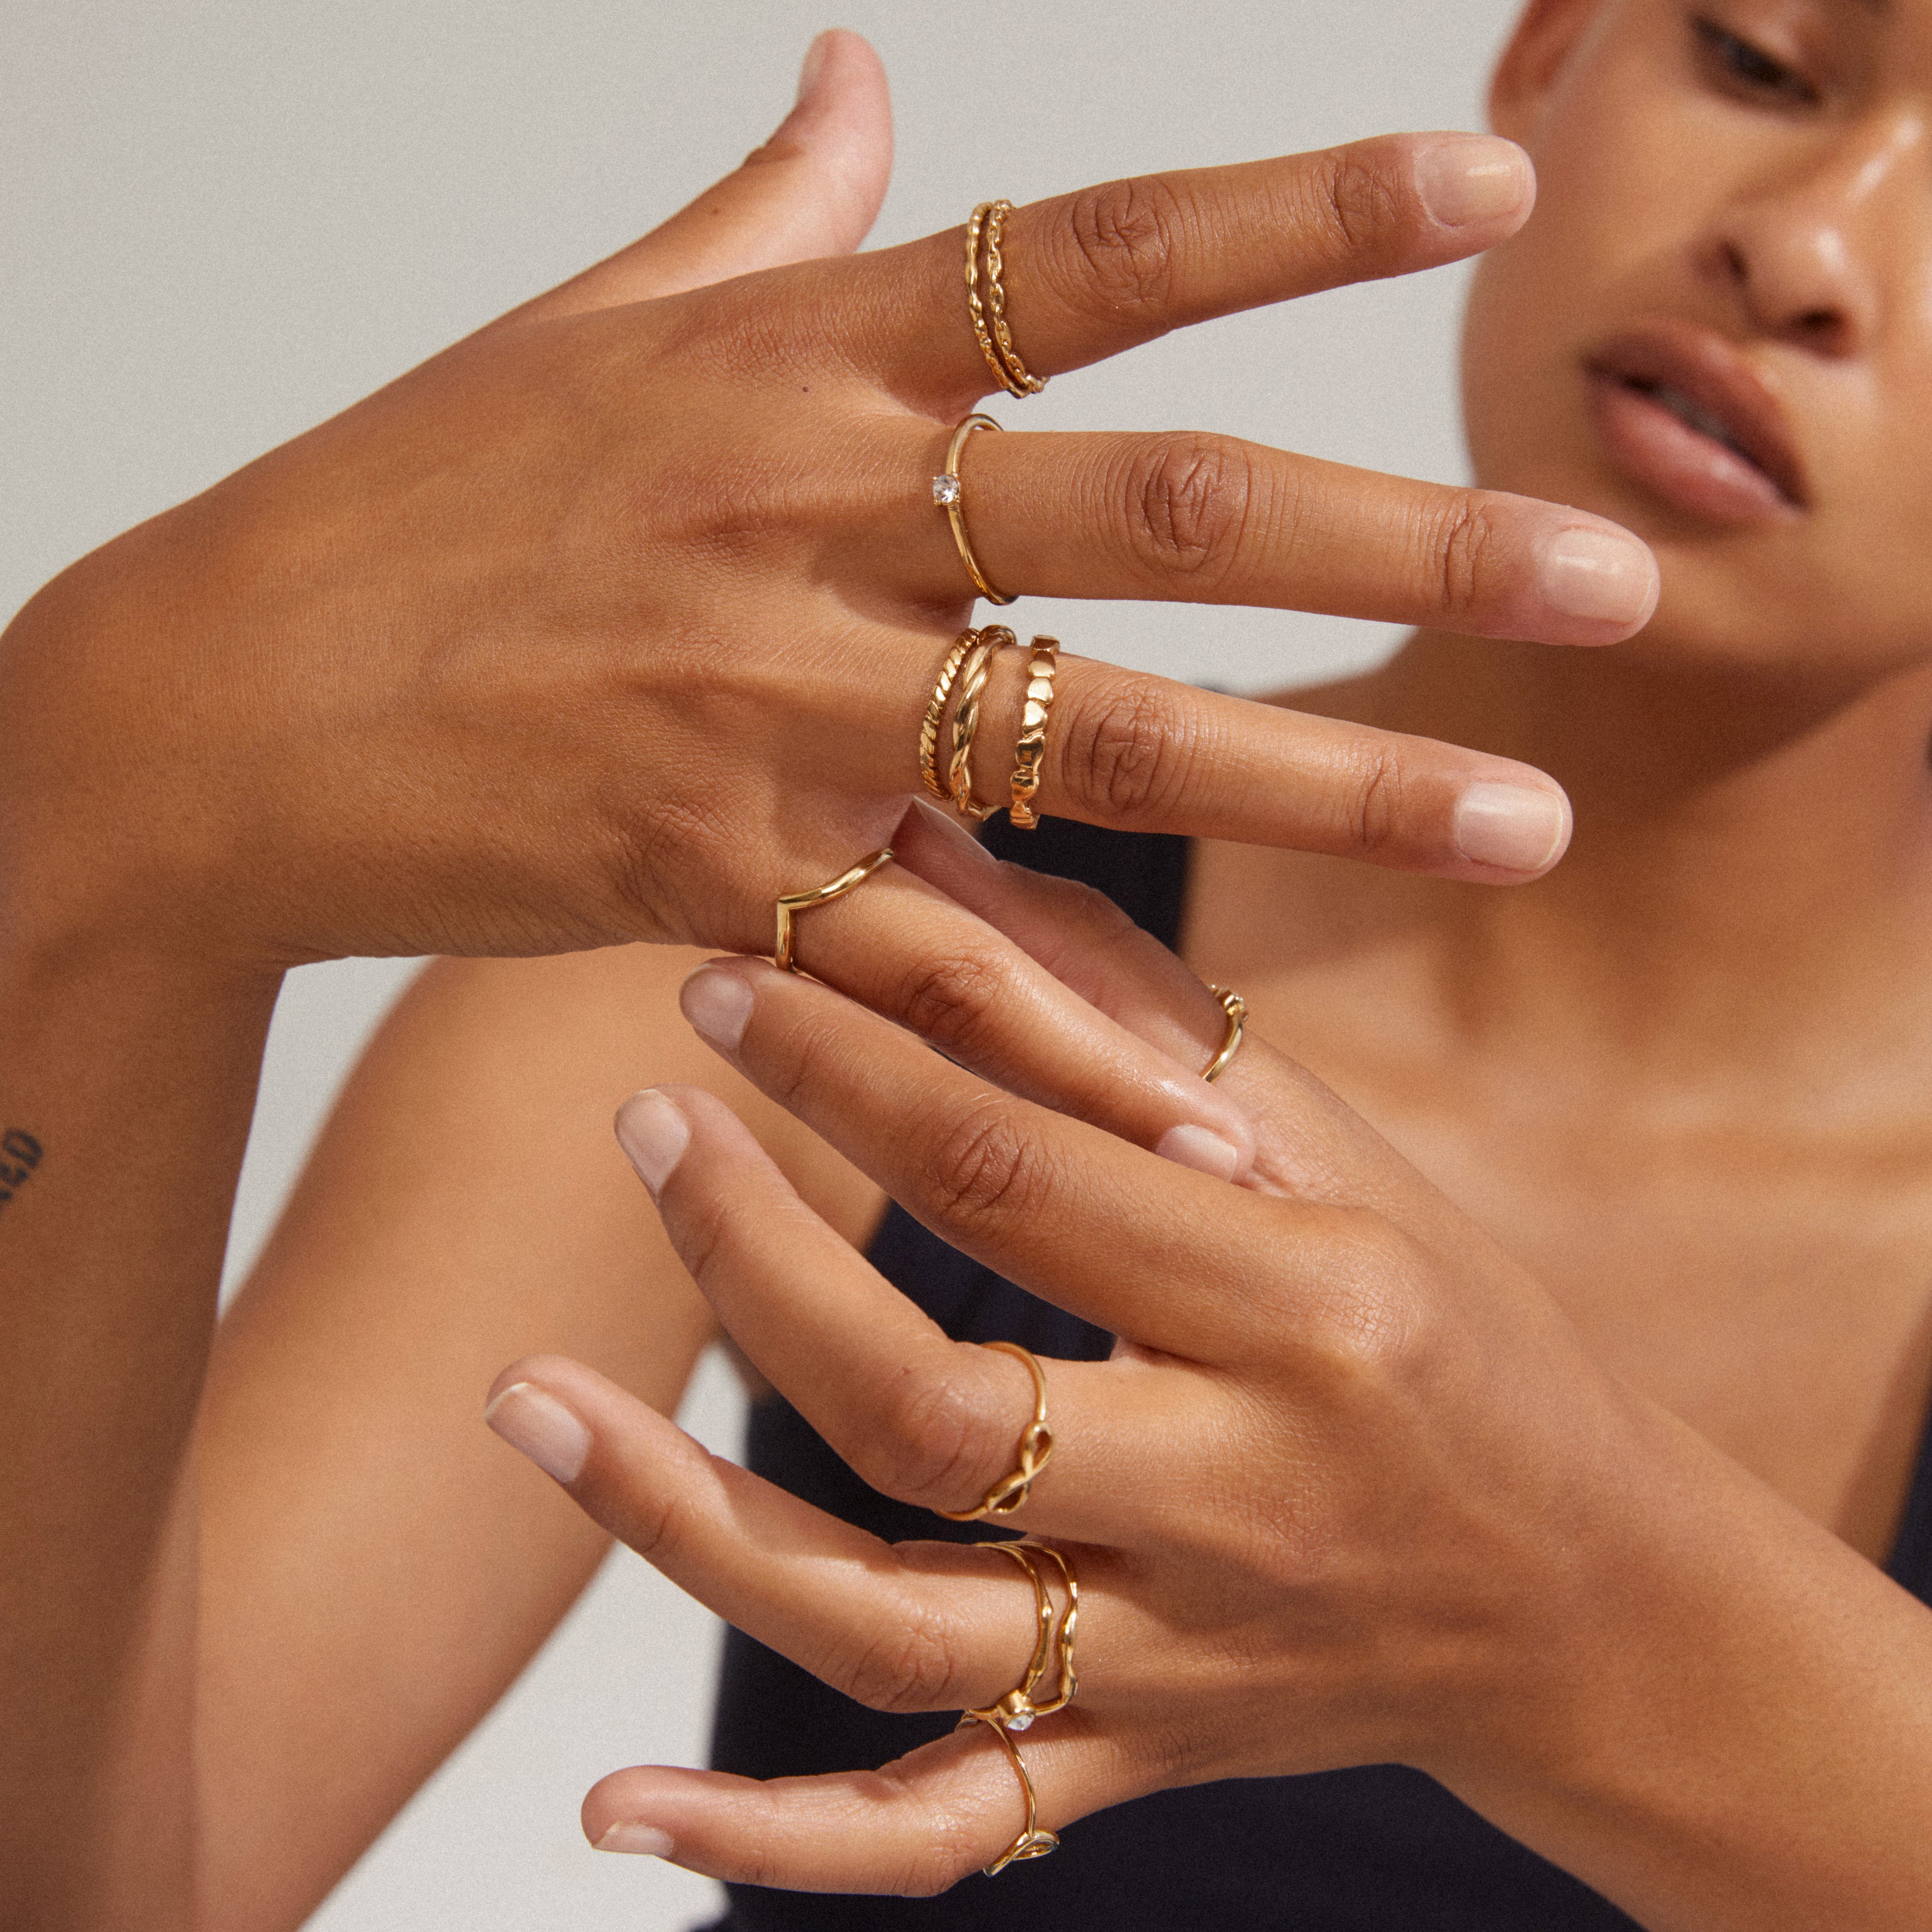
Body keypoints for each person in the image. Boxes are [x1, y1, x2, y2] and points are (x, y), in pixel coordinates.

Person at [3, 0, 1922, 1923]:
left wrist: (1579, 1619)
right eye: (1758, 60)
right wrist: (94, 796)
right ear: (1550, 49)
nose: (1814, 247)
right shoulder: (782, 946)